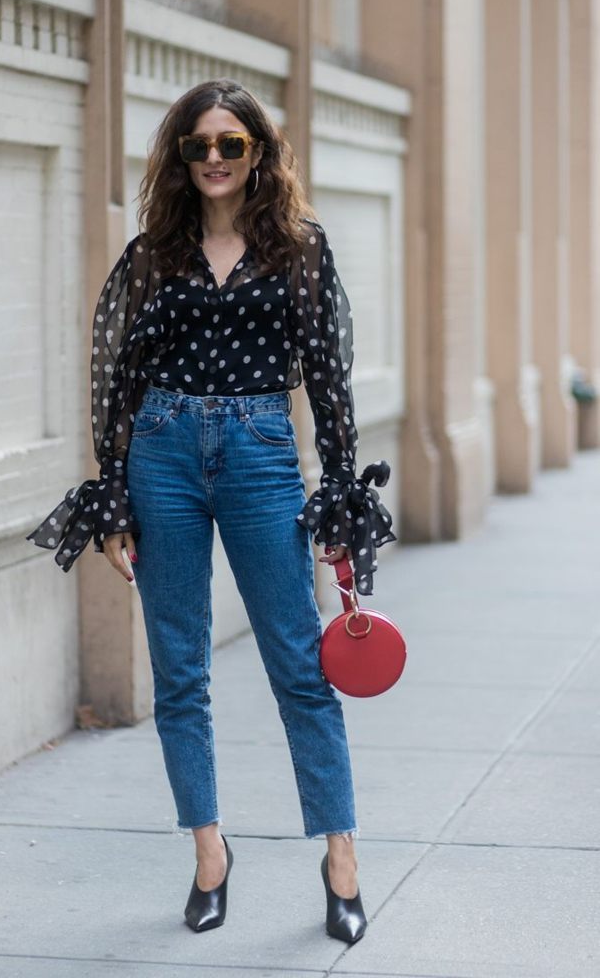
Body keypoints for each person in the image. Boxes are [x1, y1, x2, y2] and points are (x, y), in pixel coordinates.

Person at [26, 78, 396, 943]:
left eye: (233, 144)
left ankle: (340, 857)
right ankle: (209, 854)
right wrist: (113, 492)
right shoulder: (153, 252)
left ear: (259, 152)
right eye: (200, 145)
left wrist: (339, 495)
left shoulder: (301, 250)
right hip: (161, 454)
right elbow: (114, 376)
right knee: (180, 670)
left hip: (262, 453)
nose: (217, 159)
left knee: (301, 665)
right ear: (180, 157)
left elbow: (329, 383)